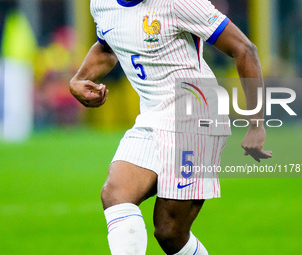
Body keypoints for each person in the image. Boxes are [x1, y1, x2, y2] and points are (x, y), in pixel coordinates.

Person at [70, 0, 272, 254]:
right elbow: (107, 46)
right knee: (115, 195)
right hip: (152, 115)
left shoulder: (178, 2)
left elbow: (244, 48)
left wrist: (256, 124)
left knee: (169, 232)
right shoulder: (102, 4)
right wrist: (79, 79)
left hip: (196, 115)